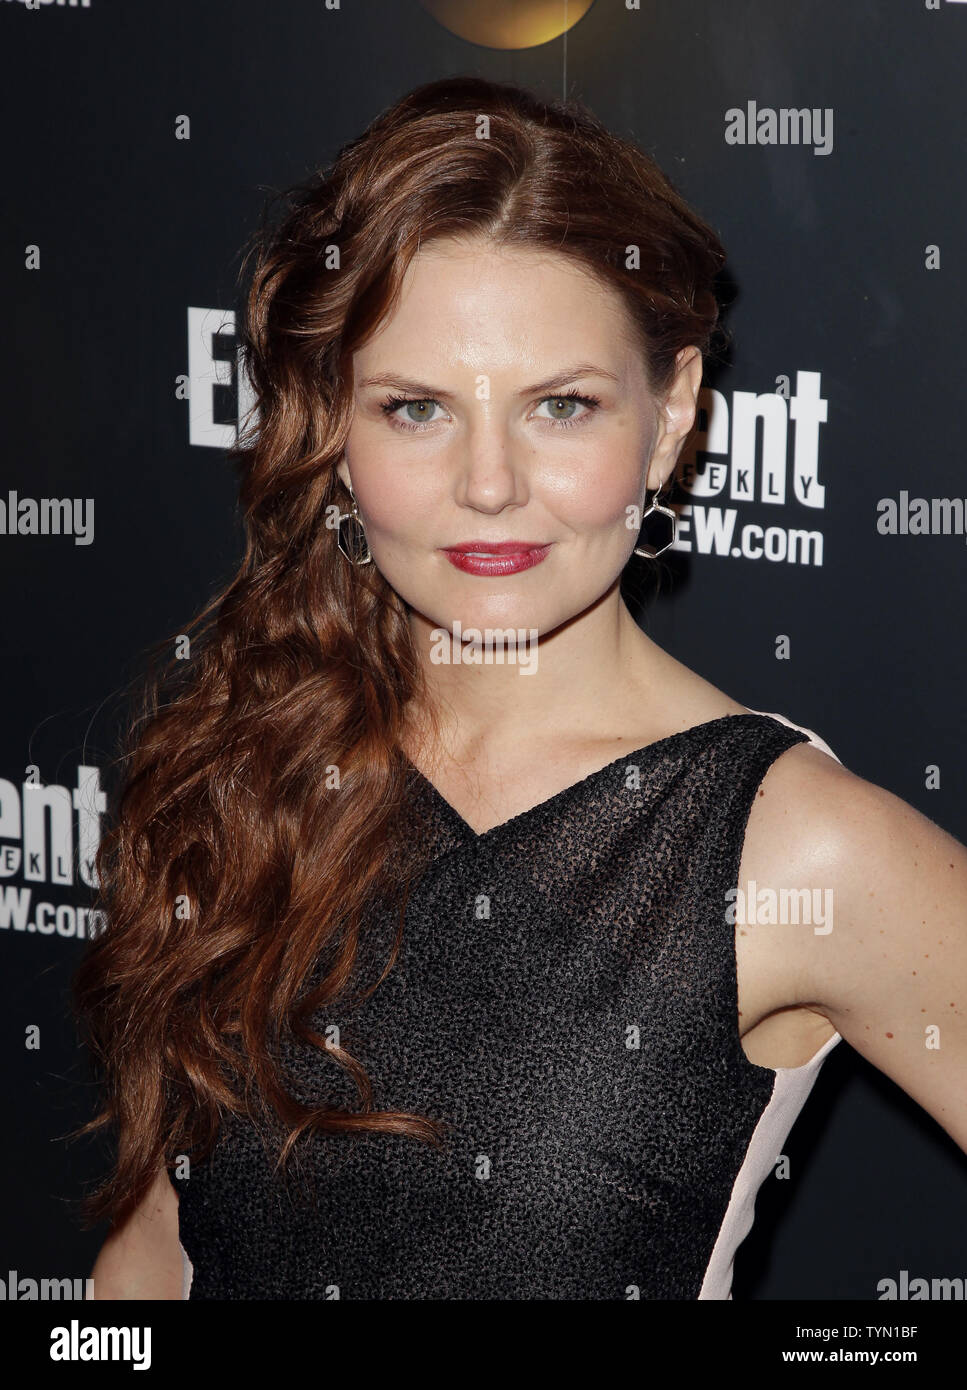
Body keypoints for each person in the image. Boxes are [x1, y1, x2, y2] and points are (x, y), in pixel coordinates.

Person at [74, 76, 967, 1301]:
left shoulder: (796, 848)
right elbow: (152, 1259)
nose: (488, 484)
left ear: (669, 419)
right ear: (335, 427)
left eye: (561, 404)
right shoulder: (249, 761)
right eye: (417, 408)